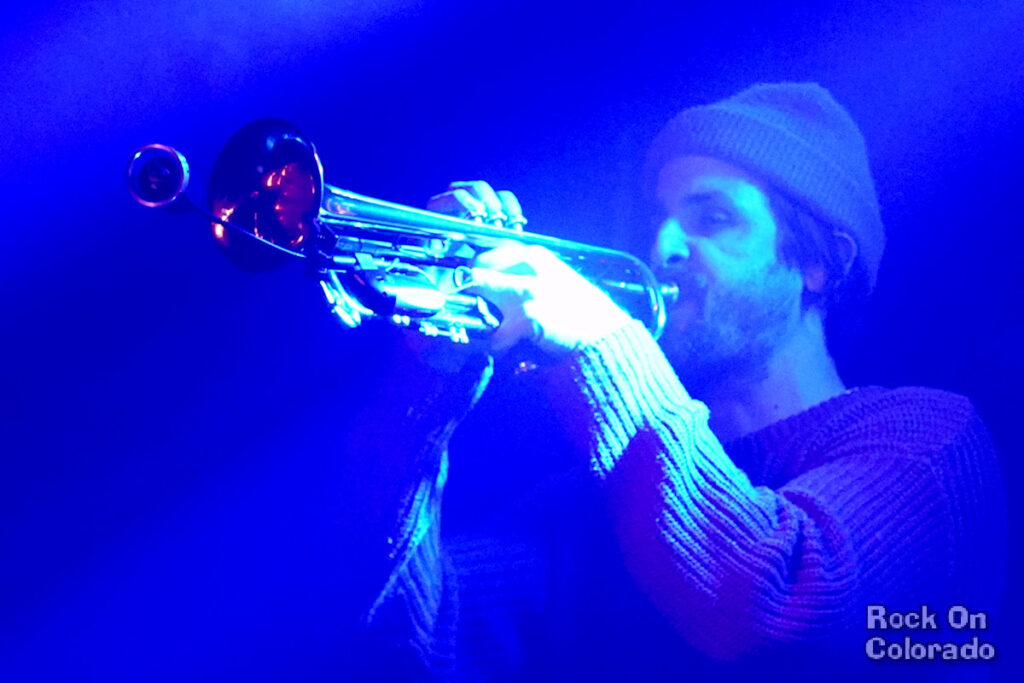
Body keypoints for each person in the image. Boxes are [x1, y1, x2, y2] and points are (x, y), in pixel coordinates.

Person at [341, 83, 1006, 681]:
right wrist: (428, 372)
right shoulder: (589, 505)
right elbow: (398, 649)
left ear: (820, 264)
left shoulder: (928, 441)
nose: (663, 247)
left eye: (711, 218)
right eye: (659, 221)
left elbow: (782, 612)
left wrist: (599, 339)